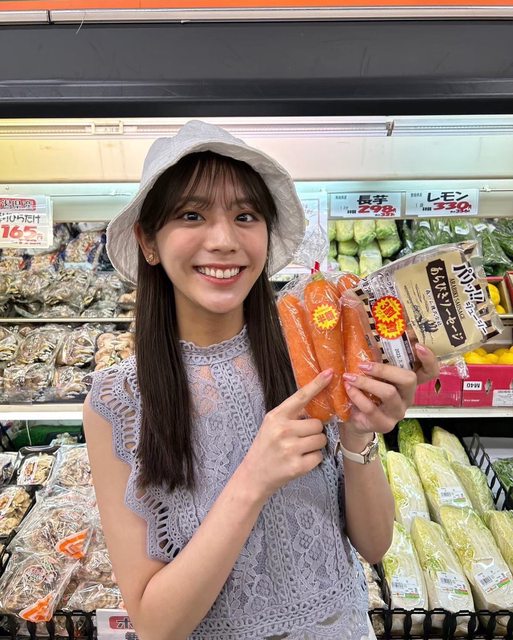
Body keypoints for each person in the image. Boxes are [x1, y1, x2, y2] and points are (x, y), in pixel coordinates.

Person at [83, 120, 438, 640]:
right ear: (149, 241)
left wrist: (358, 433)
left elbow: (375, 543)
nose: (224, 240)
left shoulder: (312, 354)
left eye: (245, 216)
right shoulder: (118, 401)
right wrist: (253, 479)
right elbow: (156, 624)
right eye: (191, 215)